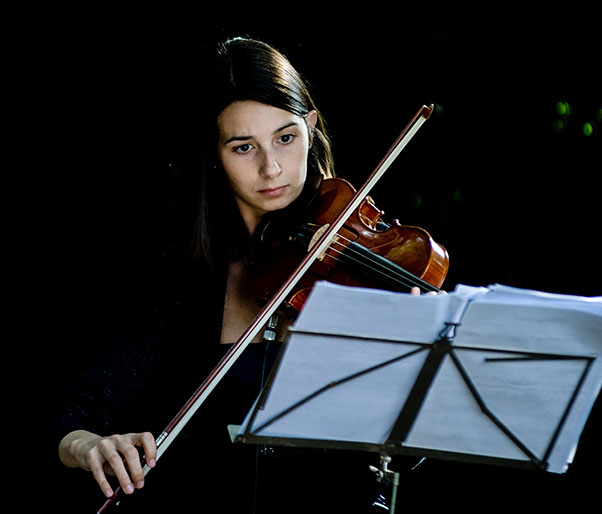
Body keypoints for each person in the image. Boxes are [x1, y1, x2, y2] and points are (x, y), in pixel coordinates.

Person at [52, 37, 404, 513]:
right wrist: (87, 445)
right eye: (244, 147)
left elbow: (413, 446)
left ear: (311, 128)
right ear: (215, 155)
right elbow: (73, 412)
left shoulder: (360, 263)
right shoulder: (185, 278)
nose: (271, 167)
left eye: (286, 138)